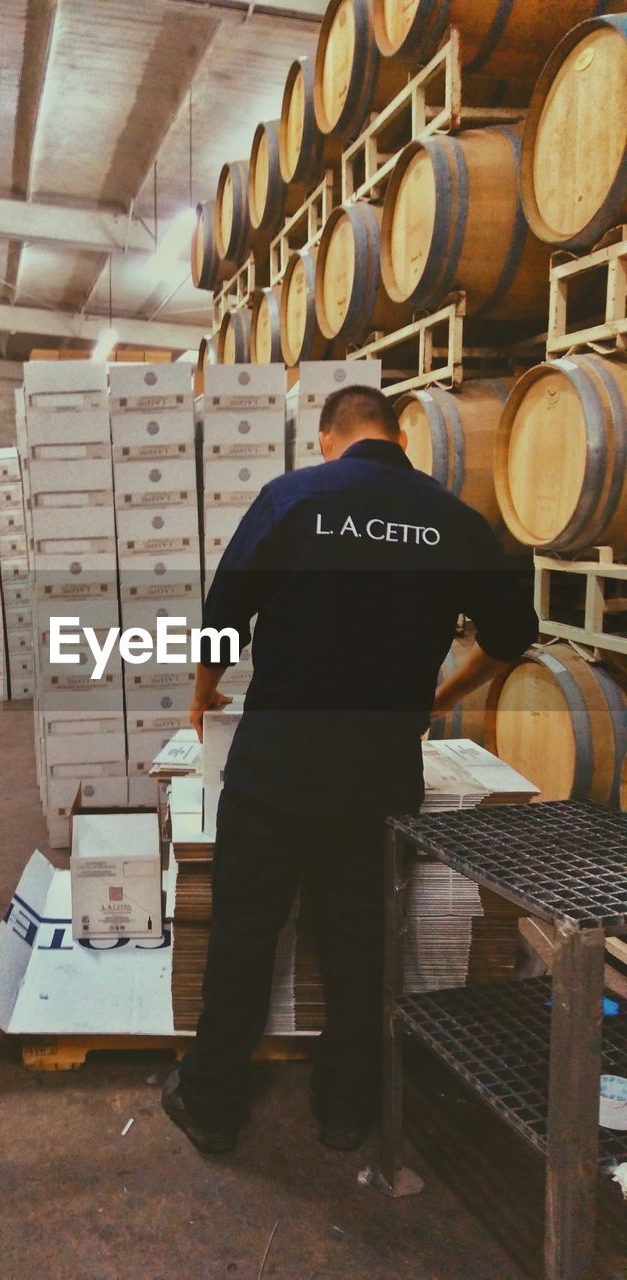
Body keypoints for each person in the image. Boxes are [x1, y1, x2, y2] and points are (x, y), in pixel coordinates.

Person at [162, 385, 538, 1155]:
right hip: (377, 776)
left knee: (244, 931)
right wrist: (439, 697)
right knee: (360, 939)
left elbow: (224, 616)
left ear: (329, 437)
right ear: (399, 435)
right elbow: (511, 636)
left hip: (277, 770)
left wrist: (204, 700)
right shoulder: (455, 521)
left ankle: (212, 1102)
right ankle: (346, 1111)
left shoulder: (293, 499)